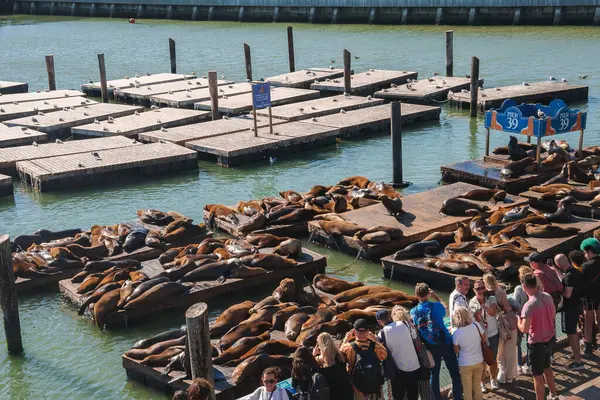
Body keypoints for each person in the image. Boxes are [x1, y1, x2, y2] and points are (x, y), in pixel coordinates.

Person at [411, 282, 463, 400]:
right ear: (428, 294)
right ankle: (458, 396)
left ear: (416, 295)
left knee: (434, 374)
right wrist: (436, 297)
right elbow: (446, 309)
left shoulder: (413, 311)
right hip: (445, 342)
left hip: (430, 346)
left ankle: (436, 398)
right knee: (454, 372)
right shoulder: (436, 306)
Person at [518, 273, 559, 400]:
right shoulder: (547, 296)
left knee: (537, 375)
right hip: (550, 338)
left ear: (524, 287)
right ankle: (553, 394)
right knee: (547, 367)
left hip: (537, 343)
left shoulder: (529, 305)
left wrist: (517, 321)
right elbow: (553, 316)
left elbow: (524, 329)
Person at [391, 305, 436, 400]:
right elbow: (418, 343)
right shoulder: (412, 325)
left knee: (409, 392)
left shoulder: (393, 330)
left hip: (406, 366)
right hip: (422, 359)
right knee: (425, 389)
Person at [376, 309, 420, 400]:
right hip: (414, 365)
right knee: (413, 394)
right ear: (389, 317)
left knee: (398, 395)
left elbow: (381, 350)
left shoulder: (382, 333)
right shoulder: (405, 324)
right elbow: (415, 337)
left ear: (379, 321)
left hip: (398, 369)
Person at [340, 319, 387, 400]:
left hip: (357, 386)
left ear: (354, 332)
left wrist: (346, 339)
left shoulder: (347, 347)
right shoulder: (376, 346)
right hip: (375, 384)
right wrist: (374, 339)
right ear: (368, 331)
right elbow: (385, 355)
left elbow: (339, 357)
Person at [484, 274, 518, 385]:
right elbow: (507, 308)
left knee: (500, 353)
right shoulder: (501, 293)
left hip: (495, 326)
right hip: (506, 324)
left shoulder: (486, 296)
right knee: (510, 350)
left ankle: (501, 375)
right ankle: (509, 376)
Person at [554, 253, 585, 369]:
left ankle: (578, 361)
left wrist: (558, 291)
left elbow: (567, 294)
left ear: (558, 264)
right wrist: (555, 271)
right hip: (578, 305)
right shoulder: (575, 271)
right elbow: (565, 277)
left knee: (571, 334)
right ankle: (574, 354)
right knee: (574, 331)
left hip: (570, 308)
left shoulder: (568, 276)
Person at [469, 279, 499, 392]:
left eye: (482, 288)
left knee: (493, 358)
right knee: (480, 360)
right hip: (480, 336)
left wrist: (483, 306)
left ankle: (493, 379)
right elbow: (475, 320)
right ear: (474, 290)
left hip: (493, 333)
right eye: (478, 289)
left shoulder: (491, 298)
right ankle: (481, 383)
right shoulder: (472, 302)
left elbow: (493, 312)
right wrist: (477, 314)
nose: (480, 291)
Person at [452, 307, 485, 400]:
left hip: (465, 363)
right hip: (479, 360)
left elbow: (456, 351)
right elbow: (484, 339)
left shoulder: (456, 333)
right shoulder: (476, 325)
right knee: (477, 385)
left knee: (467, 388)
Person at [313, 332, 353, 400]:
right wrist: (345, 340)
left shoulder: (319, 360)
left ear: (320, 345)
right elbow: (339, 350)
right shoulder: (340, 356)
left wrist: (313, 355)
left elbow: (308, 366)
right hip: (346, 389)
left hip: (332, 392)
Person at [580, 238, 600, 356]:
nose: (585, 255)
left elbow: (582, 283)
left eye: (585, 252)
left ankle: (588, 346)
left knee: (588, 322)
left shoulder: (586, 266)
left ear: (589, 251)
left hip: (588, 298)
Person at [512, 265, 533, 375]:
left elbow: (515, 304)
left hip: (521, 318)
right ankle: (529, 364)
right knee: (530, 341)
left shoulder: (518, 289)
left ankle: (519, 365)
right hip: (532, 318)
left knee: (518, 343)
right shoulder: (534, 287)